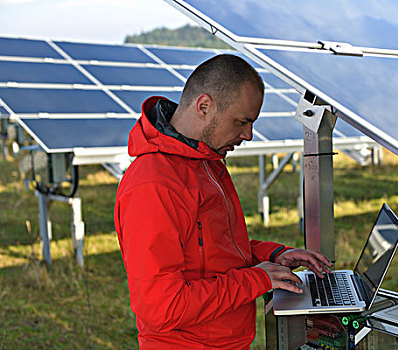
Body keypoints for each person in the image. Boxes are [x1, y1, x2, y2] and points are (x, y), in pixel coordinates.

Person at [114, 54, 332, 349]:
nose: (248, 135)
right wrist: (257, 279)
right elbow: (161, 308)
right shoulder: (153, 184)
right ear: (204, 106)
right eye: (241, 122)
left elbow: (218, 249)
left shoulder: (205, 161)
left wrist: (275, 255)